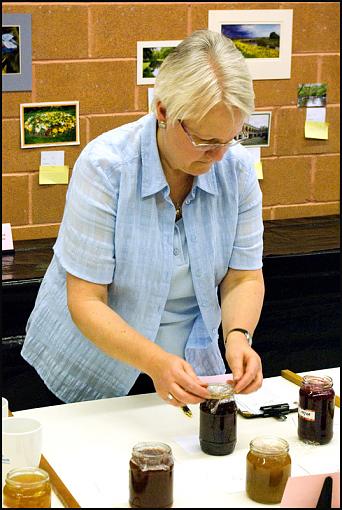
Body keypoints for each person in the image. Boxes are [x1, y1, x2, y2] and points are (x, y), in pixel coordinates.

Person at [21, 29, 264, 409]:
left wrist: (238, 336)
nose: (217, 156)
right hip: (90, 368)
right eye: (204, 141)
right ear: (163, 111)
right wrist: (154, 362)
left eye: (229, 139)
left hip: (188, 369)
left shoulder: (236, 171)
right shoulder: (106, 167)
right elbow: (86, 299)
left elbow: (244, 276)